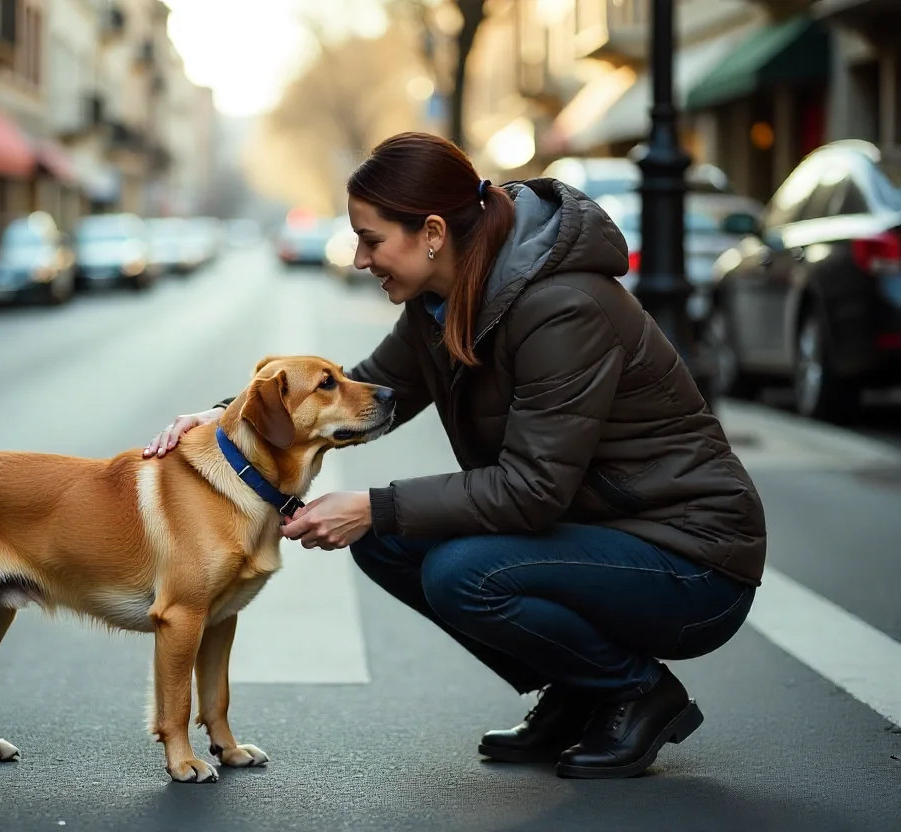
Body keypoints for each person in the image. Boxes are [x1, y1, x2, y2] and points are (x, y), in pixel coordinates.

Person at [141, 132, 767, 780]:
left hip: (692, 561)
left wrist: (374, 506)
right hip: (600, 534)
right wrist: (227, 416)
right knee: (386, 543)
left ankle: (635, 692)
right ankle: (577, 686)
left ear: (432, 232)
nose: (359, 258)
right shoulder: (439, 305)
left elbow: (531, 490)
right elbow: (354, 396)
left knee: (459, 571)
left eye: (372, 239)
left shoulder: (561, 308)